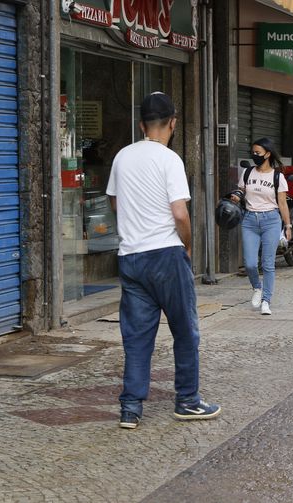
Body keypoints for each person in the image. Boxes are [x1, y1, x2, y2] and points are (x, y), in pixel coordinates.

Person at [106, 92, 221, 429]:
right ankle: (187, 400)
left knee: (137, 335)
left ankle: (130, 408)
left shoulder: (122, 157)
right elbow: (179, 213)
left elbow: (114, 201)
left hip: (130, 256)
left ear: (141, 124)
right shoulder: (170, 159)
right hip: (165, 255)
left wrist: (133, 222)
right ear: (173, 123)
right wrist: (186, 247)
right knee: (185, 330)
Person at [231, 138, 291, 316]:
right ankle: (257, 287)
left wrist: (287, 225)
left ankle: (266, 300)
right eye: (253, 152)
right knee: (250, 263)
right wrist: (237, 195)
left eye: (258, 153)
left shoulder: (277, 177)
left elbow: (282, 203)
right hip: (249, 220)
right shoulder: (248, 173)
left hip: (271, 220)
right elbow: (241, 190)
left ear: (268, 154)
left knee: (268, 264)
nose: (254, 155)